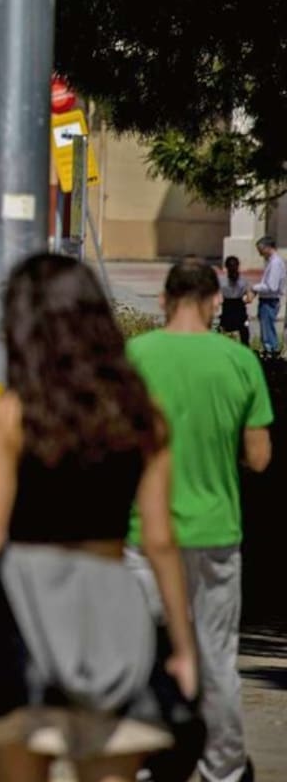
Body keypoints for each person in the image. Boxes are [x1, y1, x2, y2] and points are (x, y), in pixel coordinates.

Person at [0, 254, 199, 782]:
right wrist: (182, 645)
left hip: (23, 614)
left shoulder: (8, 417)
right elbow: (160, 541)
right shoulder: (140, 416)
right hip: (113, 614)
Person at [124, 258, 271, 782]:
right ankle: (223, 768)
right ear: (214, 302)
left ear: (163, 300)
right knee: (216, 660)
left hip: (143, 533)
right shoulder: (238, 362)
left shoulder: (135, 357)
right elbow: (259, 457)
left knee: (138, 658)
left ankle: (140, 761)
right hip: (215, 531)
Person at [251, 235, 284, 357]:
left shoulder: (275, 263)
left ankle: (272, 357)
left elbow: (272, 286)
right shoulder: (272, 262)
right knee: (266, 331)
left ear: (267, 247)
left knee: (268, 334)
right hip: (267, 301)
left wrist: (254, 287)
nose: (260, 253)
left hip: (269, 301)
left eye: (260, 249)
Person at [219, 255, 254, 345]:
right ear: (238, 266)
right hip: (239, 306)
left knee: (225, 331)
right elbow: (249, 299)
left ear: (226, 267)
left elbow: (218, 298)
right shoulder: (244, 281)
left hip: (227, 307)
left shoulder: (221, 281)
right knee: (243, 331)